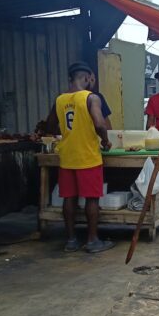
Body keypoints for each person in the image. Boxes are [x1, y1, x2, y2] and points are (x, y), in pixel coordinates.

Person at [54, 61, 115, 253]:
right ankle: (92, 240)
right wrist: (105, 140)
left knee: (69, 198)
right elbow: (99, 123)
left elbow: (49, 125)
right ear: (87, 78)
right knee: (92, 198)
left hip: (67, 157)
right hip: (87, 157)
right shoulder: (91, 98)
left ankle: (71, 240)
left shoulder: (60, 99)